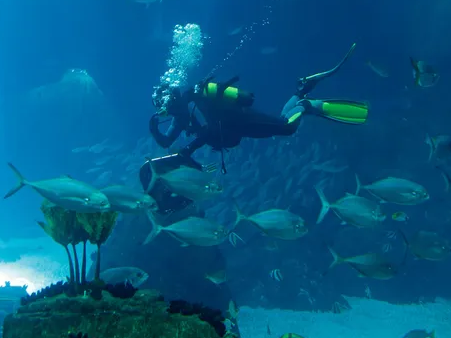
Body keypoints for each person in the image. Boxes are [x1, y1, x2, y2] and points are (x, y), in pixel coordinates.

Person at [141, 43, 368, 214]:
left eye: (166, 107)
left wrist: (190, 148)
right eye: (163, 110)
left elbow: (224, 117)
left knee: (288, 128)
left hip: (242, 121)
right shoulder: (181, 117)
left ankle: (307, 104)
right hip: (236, 131)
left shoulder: (197, 96)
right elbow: (167, 142)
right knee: (282, 123)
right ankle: (301, 90)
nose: (167, 113)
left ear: (172, 99)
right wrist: (155, 130)